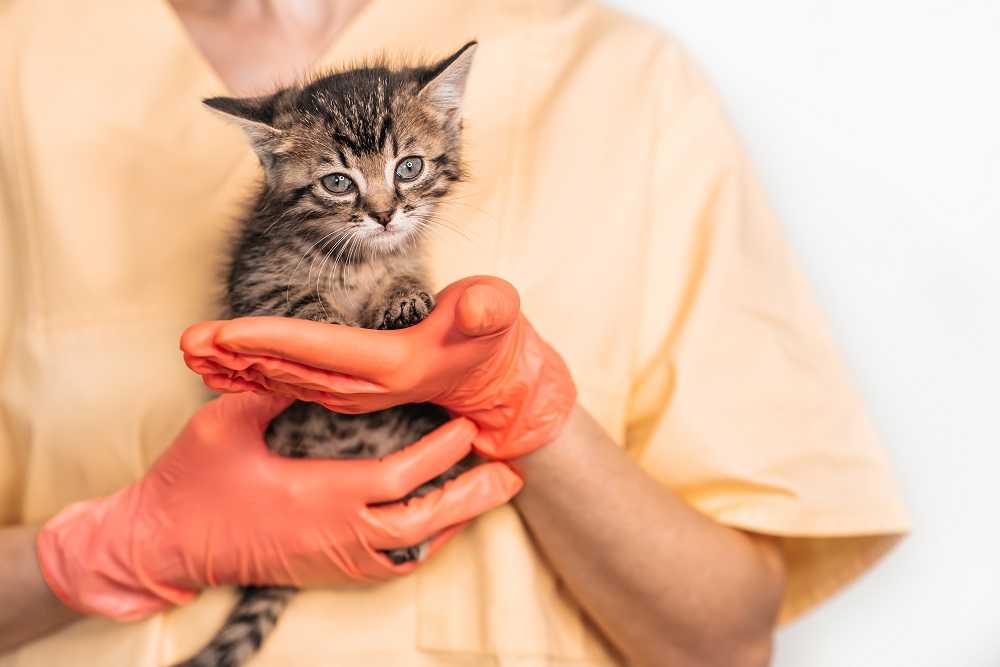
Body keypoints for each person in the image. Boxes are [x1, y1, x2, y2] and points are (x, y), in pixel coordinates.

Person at [0, 1, 911, 666]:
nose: (386, 205)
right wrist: (119, 546)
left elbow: (726, 638)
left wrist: (527, 410)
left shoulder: (623, 78)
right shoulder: (20, 59)